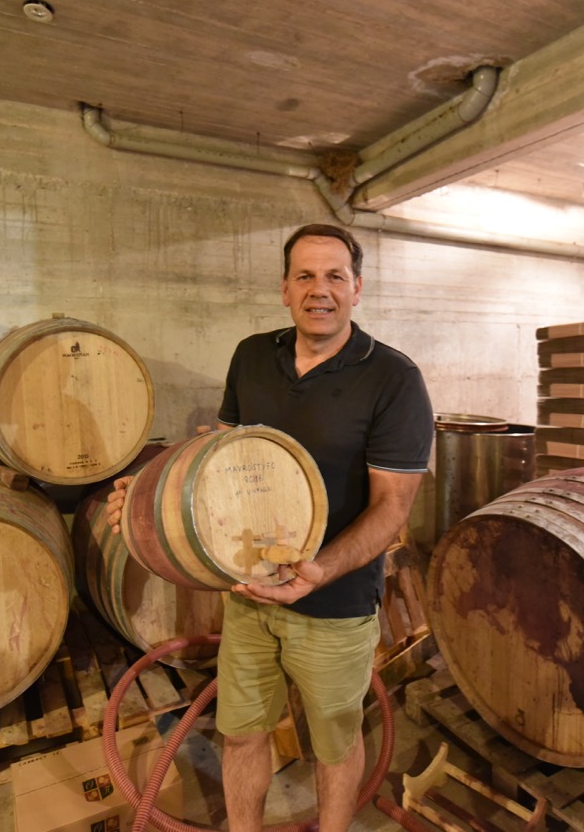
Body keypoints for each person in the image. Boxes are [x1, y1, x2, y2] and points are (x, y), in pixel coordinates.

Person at [107, 223, 433, 831]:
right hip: (250, 592)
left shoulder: (393, 379)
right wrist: (148, 492)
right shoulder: (252, 355)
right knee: (242, 733)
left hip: (334, 601)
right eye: (305, 276)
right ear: (284, 288)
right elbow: (219, 457)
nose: (320, 290)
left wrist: (319, 572)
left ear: (357, 288)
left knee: (334, 746)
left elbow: (392, 508)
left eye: (335, 276)